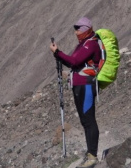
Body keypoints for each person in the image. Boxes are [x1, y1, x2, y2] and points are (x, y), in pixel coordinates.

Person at [50, 17, 101, 167]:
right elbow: (73, 62)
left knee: (89, 120)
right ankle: (90, 153)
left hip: (86, 85)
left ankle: (93, 156)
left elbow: (74, 62)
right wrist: (57, 54)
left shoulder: (90, 44)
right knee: (85, 121)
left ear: (85, 29)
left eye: (78, 28)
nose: (76, 31)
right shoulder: (83, 44)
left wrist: (57, 52)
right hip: (79, 86)